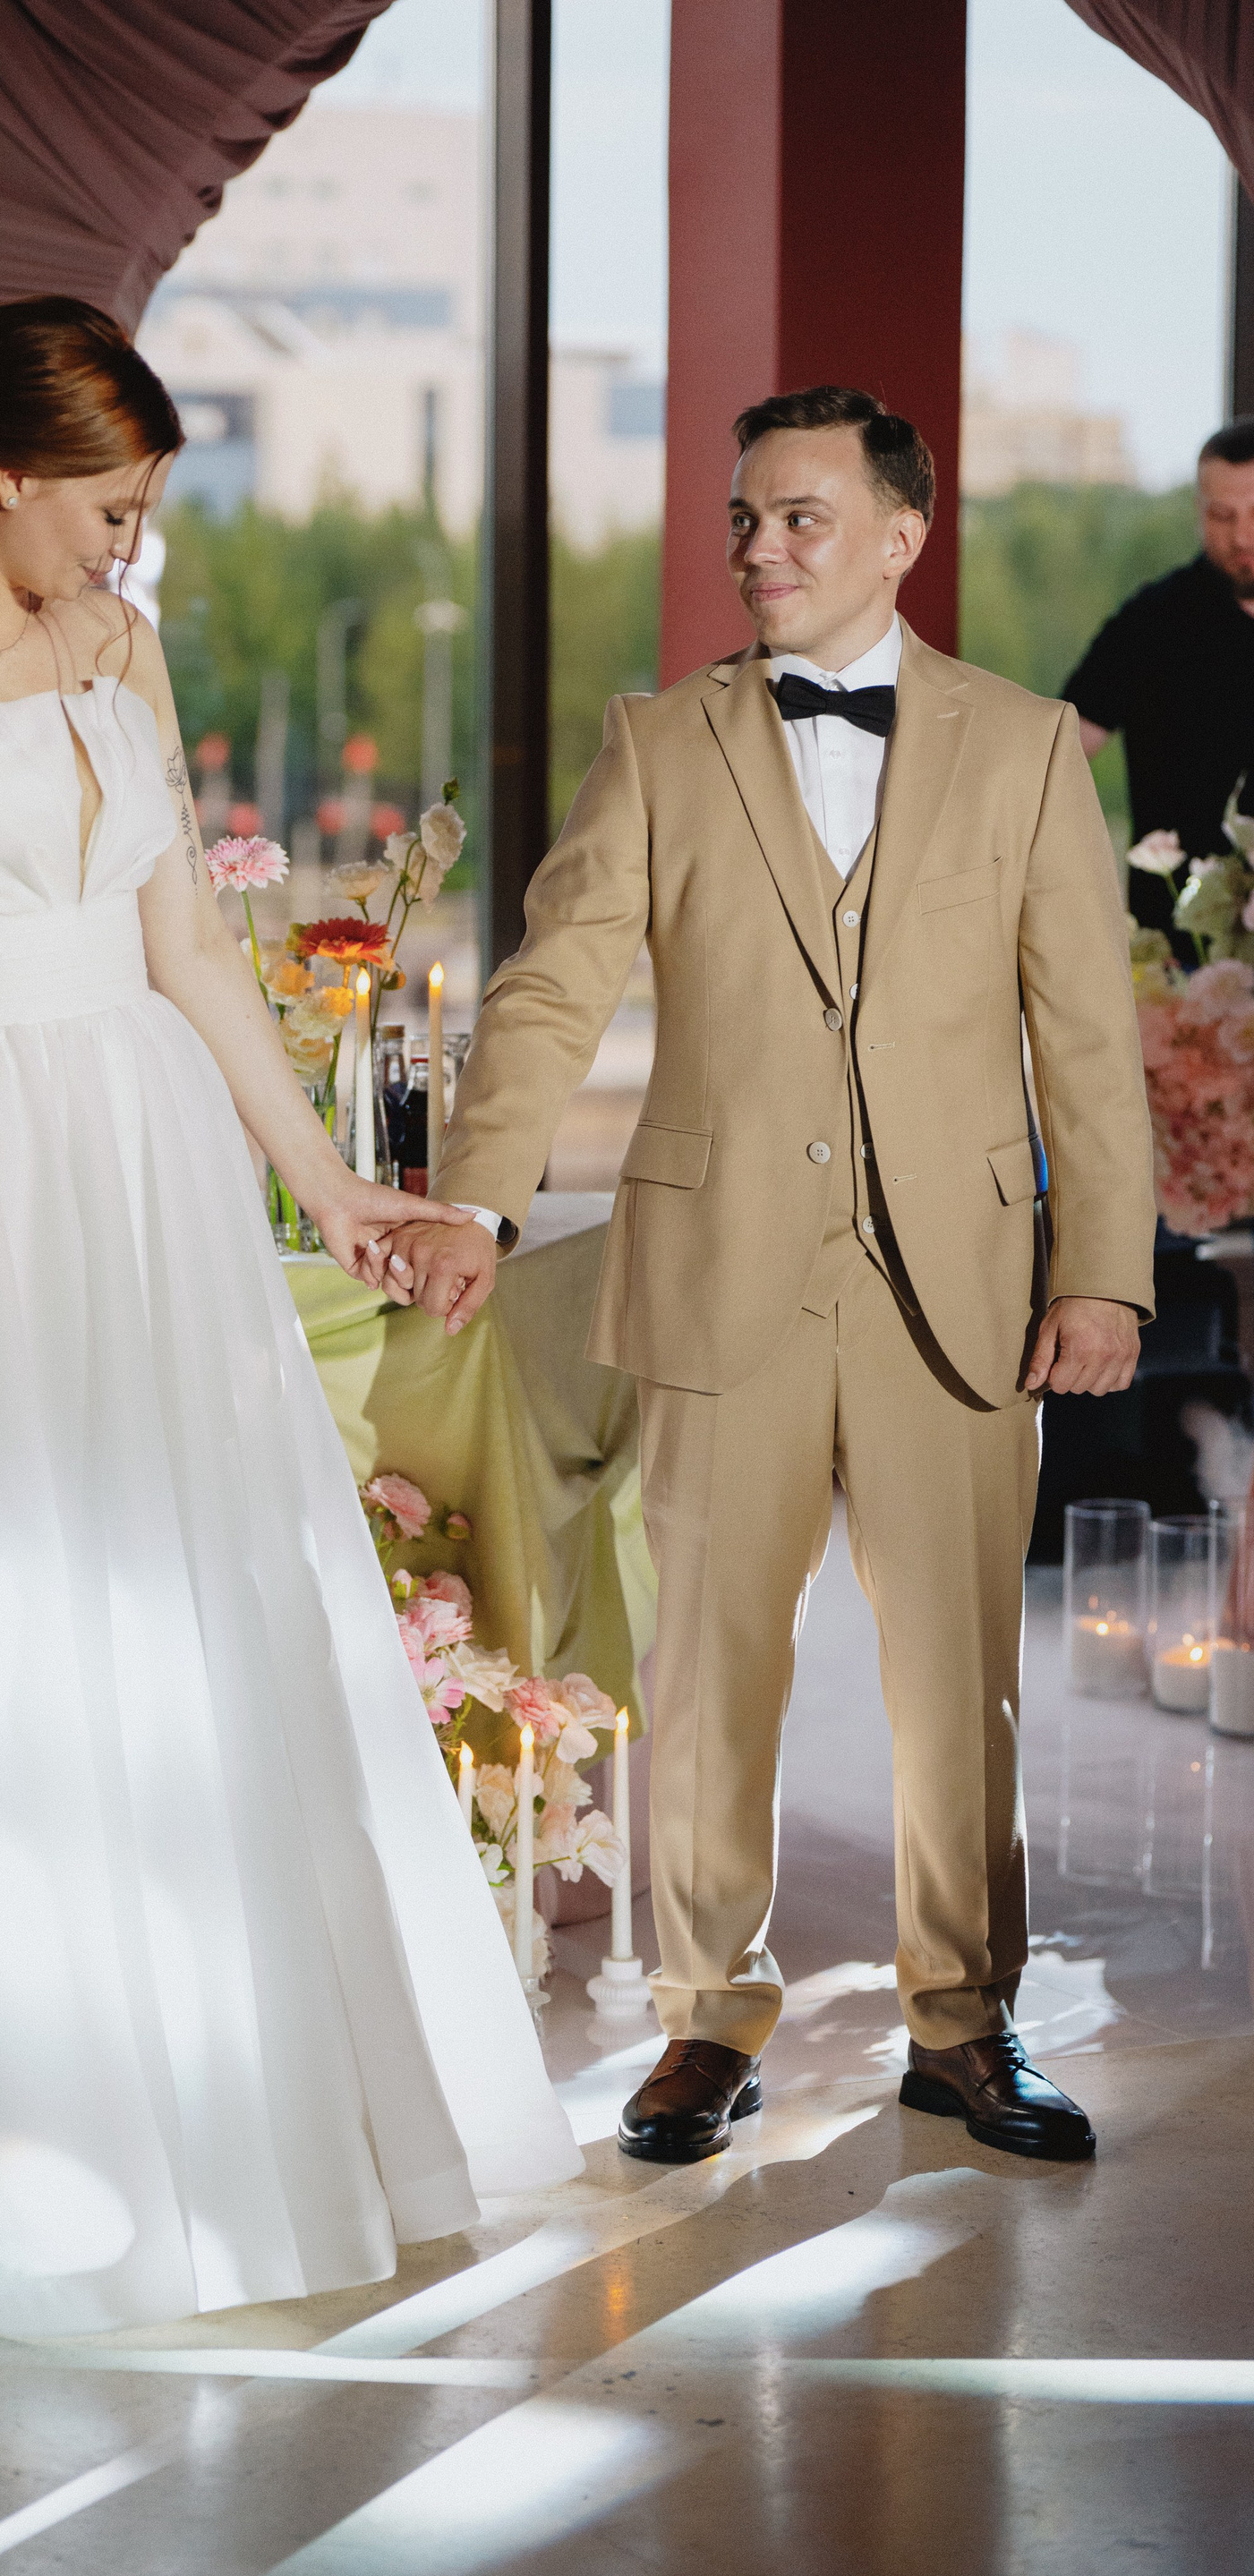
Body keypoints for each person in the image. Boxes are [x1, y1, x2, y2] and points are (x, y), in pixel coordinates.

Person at [0, 296, 579, 2340]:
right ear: (4, 471)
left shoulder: (118, 651)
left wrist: (330, 1187)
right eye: (110, 508)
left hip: (139, 1177)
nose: (126, 548)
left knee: (167, 1607)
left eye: (139, 513)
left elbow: (196, 958)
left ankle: (199, 2115)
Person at [388, 385, 1155, 2168]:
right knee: (712, 1672)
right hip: (719, 1269)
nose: (759, 548)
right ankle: (704, 2021)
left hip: (960, 1289)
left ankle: (963, 2021)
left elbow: (1086, 1039)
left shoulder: (1028, 745)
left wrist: (1103, 1273)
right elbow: (551, 988)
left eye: (800, 516)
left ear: (901, 535)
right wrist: (476, 1202)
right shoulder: (661, 741)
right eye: (745, 518)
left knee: (960, 1678)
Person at [1064, 416, 1254, 929]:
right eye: (1222, 515)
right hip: (1173, 944)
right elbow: (1061, 749)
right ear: (1198, 511)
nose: (1242, 536)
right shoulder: (1151, 622)